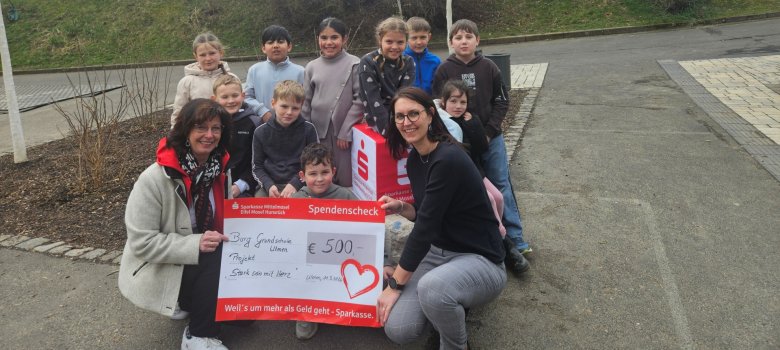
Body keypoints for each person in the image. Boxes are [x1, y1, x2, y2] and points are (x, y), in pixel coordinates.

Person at [376, 87, 507, 349]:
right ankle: (446, 309)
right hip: (438, 253)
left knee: (434, 290)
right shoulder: (416, 159)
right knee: (398, 329)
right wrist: (402, 206)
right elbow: (426, 210)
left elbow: (425, 228)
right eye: (399, 116)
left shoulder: (447, 158)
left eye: (413, 114)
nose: (406, 122)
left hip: (480, 258)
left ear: (430, 114)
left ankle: (456, 343)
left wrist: (395, 284)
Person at [119, 98, 244, 350]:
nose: (209, 135)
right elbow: (142, 243)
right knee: (214, 253)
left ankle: (191, 302)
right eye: (201, 127)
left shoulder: (217, 169)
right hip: (161, 265)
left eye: (216, 128)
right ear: (185, 130)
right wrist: (197, 243)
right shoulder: (154, 179)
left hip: (197, 254)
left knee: (246, 319)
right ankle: (198, 335)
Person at [432, 19, 531, 274]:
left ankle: (516, 239)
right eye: (458, 37)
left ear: (478, 40)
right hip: (460, 143)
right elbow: (439, 106)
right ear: (451, 42)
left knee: (501, 185)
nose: (463, 41)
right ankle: (489, 239)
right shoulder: (444, 70)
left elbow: (501, 101)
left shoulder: (489, 67)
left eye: (468, 37)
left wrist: (488, 132)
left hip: (491, 138)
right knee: (476, 191)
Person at [289, 142, 356, 340]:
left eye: (324, 172)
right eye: (312, 174)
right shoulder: (295, 201)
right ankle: (306, 313)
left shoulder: (346, 196)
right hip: (306, 263)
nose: (319, 179)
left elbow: (366, 231)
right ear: (302, 176)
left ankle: (340, 304)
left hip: (339, 260)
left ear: (333, 172)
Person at [301, 17, 363, 187]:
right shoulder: (311, 67)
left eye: (334, 37)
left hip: (342, 136)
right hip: (317, 134)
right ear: (318, 40)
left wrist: (345, 131)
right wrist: (306, 133)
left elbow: (360, 101)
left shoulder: (355, 64)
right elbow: (305, 103)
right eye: (324, 38)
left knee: (345, 178)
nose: (329, 42)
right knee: (320, 178)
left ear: (344, 39)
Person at [440, 79, 507, 238]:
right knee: (489, 199)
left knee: (498, 197)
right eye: (453, 101)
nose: (458, 106)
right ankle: (499, 235)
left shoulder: (470, 118)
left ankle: (498, 230)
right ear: (443, 102)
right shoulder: (441, 123)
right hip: (461, 173)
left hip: (475, 169)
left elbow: (482, 146)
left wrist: (472, 124)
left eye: (463, 102)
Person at [251, 80, 318, 198]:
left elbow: (314, 162)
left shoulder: (309, 129)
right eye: (284, 106)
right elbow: (257, 167)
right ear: (273, 103)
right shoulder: (260, 132)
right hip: (270, 185)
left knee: (299, 202)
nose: (289, 112)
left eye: (295, 108)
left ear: (301, 107)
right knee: (260, 204)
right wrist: (268, 185)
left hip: (301, 183)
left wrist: (295, 183)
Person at [359, 16, 416, 136]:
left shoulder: (409, 62)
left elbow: (404, 97)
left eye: (400, 42)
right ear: (380, 40)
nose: (395, 47)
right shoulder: (368, 62)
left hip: (401, 115)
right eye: (389, 41)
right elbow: (373, 100)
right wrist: (388, 131)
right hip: (377, 117)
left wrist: (403, 123)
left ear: (406, 42)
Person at [171, 32, 238, 126]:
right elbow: (179, 113)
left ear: (221, 53)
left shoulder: (231, 78)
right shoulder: (187, 82)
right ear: (196, 56)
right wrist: (175, 136)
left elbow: (240, 106)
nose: (208, 58)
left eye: (212, 53)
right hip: (199, 134)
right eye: (202, 55)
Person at [211, 75, 261, 198]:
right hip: (212, 183)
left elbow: (259, 161)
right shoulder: (209, 124)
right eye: (224, 97)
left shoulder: (255, 123)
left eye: (235, 95)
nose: (231, 101)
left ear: (243, 96)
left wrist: (241, 184)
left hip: (243, 186)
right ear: (214, 99)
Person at [244, 25, 305, 123]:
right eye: (270, 42)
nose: (275, 45)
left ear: (289, 46)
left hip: (291, 124)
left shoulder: (300, 72)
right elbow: (247, 97)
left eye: (280, 42)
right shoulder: (255, 70)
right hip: (261, 124)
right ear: (263, 48)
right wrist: (263, 112)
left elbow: (304, 101)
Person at [404, 16, 441, 96]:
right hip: (407, 103)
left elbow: (439, 87)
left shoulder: (435, 61)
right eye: (414, 38)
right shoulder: (400, 59)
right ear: (406, 38)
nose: (419, 42)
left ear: (429, 37)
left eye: (423, 37)